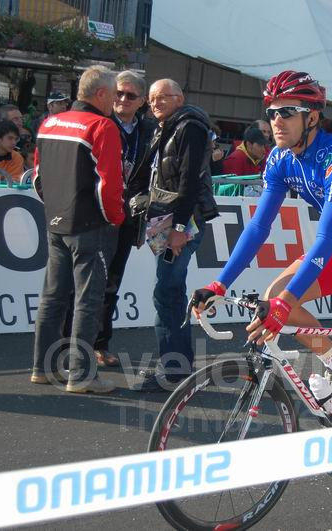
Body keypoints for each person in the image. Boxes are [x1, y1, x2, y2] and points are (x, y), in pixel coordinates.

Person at [191, 71, 332, 509]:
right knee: (277, 290)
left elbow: (324, 239)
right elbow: (259, 226)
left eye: (287, 113)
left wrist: (285, 307)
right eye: (271, 112)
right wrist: (220, 282)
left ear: (313, 117)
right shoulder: (280, 159)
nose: (275, 121)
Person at [30, 65, 124, 394]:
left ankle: (42, 368)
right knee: (88, 300)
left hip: (55, 222)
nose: (116, 101)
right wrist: (116, 217)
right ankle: (83, 375)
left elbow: (38, 177)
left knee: (53, 296)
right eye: (114, 95)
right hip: (90, 225)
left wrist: (54, 208)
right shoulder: (102, 126)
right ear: (100, 94)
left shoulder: (50, 122)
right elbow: (110, 186)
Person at [130, 78, 219, 392]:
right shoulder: (166, 127)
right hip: (167, 219)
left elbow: (189, 182)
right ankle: (178, 368)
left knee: (167, 293)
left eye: (161, 98)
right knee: (169, 292)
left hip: (182, 222)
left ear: (179, 99)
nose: (154, 104)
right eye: (151, 99)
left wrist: (179, 229)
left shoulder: (189, 127)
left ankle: (175, 370)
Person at [92, 70, 157, 368]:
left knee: (112, 283)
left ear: (141, 101)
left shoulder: (150, 130)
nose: (122, 99)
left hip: (129, 216)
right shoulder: (101, 124)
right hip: (98, 212)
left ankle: (100, 343)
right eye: (118, 93)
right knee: (87, 282)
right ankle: (72, 343)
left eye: (130, 95)